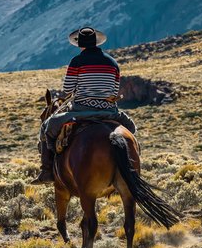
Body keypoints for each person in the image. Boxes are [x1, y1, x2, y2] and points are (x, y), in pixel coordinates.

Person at [35, 27, 136, 183]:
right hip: (109, 111)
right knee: (131, 128)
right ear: (96, 42)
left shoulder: (77, 62)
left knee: (48, 127)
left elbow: (68, 89)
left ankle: (47, 171)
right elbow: (115, 89)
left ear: (80, 45)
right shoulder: (113, 63)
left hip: (82, 110)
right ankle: (132, 169)